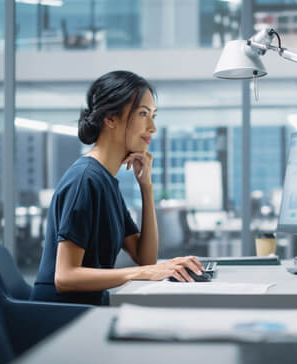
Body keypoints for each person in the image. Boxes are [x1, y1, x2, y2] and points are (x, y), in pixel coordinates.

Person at [31, 70, 204, 305]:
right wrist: (141, 273)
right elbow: (65, 276)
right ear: (111, 118)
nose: (152, 127)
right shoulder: (85, 179)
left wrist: (146, 187)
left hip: (89, 308)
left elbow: (145, 257)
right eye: (143, 114)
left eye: (153, 115)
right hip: (60, 316)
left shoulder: (105, 180)